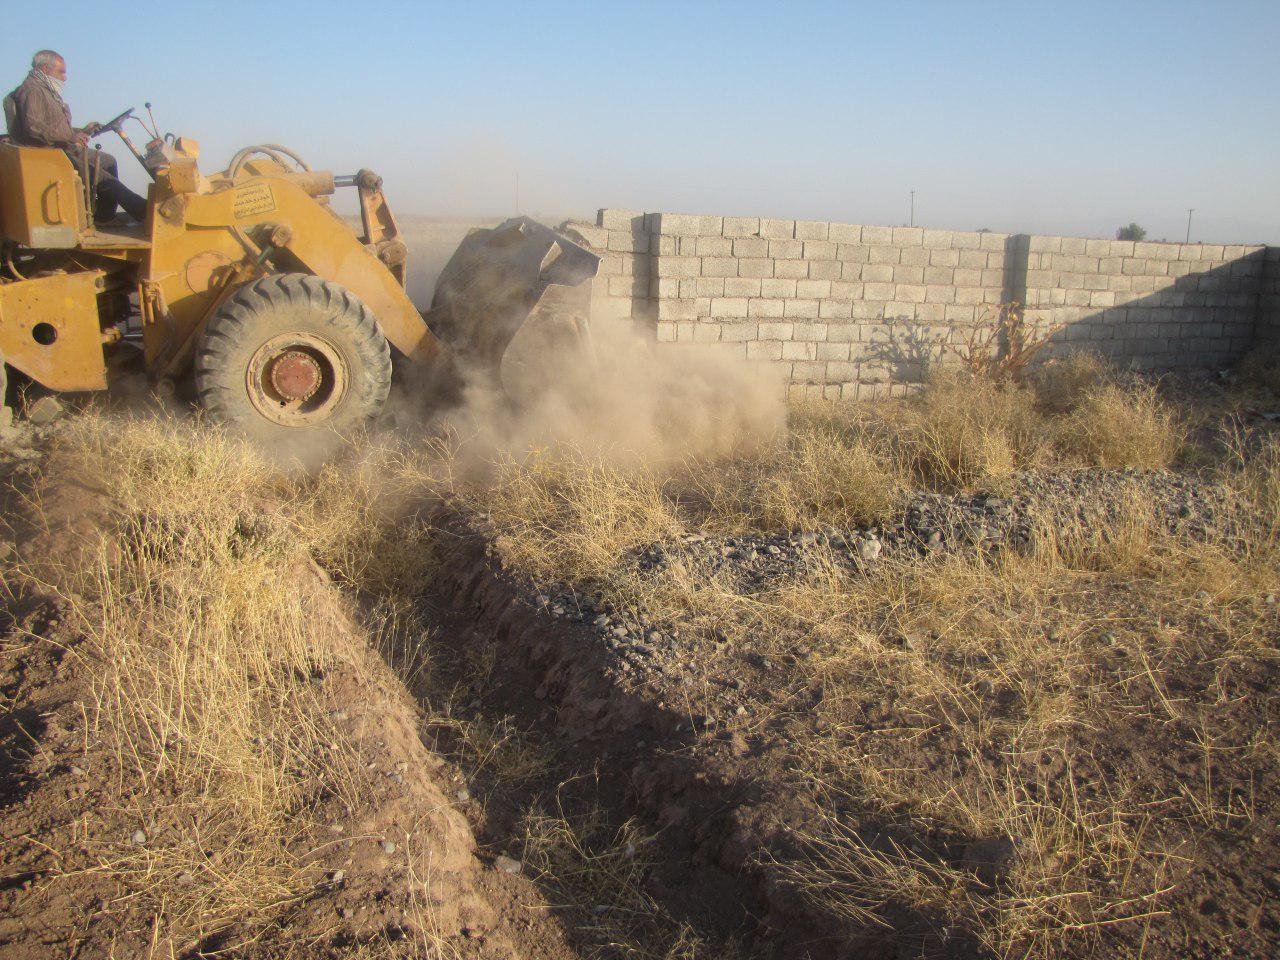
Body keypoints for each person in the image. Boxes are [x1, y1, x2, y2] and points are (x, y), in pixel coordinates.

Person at [7, 49, 148, 223]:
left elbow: (52, 127)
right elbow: (34, 128)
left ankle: (104, 215)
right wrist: (71, 137)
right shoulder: (32, 90)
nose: (64, 77)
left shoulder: (45, 90)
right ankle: (143, 211)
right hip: (48, 153)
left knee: (108, 161)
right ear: (44, 68)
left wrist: (82, 130)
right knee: (101, 176)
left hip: (60, 146)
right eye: (61, 72)